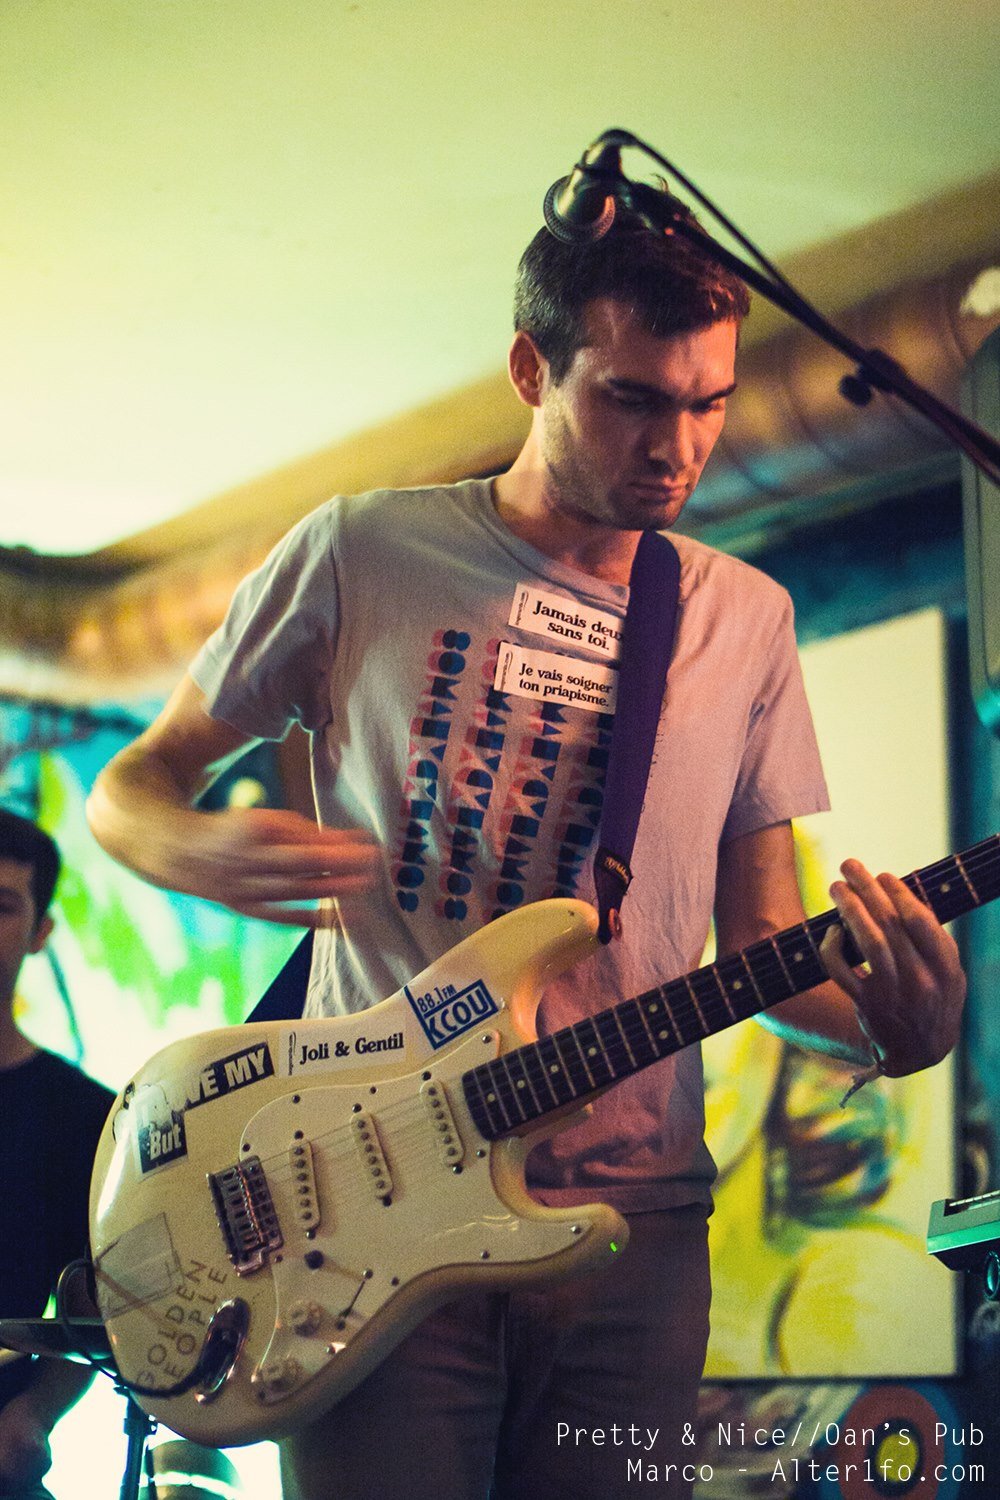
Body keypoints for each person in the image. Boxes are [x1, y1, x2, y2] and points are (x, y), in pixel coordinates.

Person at [86, 191, 965, 1500]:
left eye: (709, 402)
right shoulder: (362, 550)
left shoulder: (745, 621)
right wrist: (186, 847)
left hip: (634, 1235)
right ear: (528, 368)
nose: (678, 446)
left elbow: (769, 948)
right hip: (361, 1210)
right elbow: (132, 786)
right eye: (631, 399)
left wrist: (903, 1031)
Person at [0, 810, 114, 1500]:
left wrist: (34, 1414)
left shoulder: (86, 1116)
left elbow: (96, 1310)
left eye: (2, 906)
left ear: (40, 932)